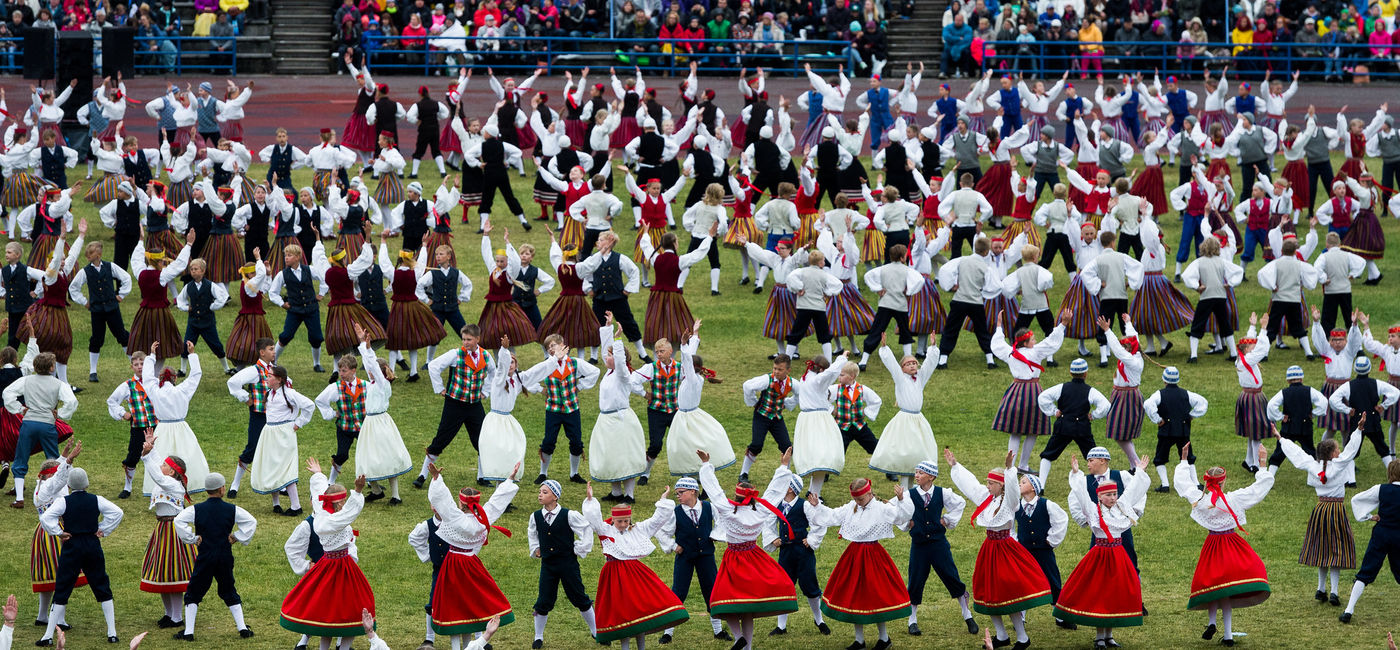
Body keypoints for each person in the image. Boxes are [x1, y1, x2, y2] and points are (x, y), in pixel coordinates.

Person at [945, 449, 1052, 649]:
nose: (987, 486)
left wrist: (1010, 469)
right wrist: (955, 466)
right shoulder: (987, 498)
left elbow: (1012, 489)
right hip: (990, 549)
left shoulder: (1010, 502)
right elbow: (971, 486)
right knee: (989, 592)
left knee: (1009, 594)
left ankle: (1022, 637)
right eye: (987, 482)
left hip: (1006, 549)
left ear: (1001, 484)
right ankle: (1001, 635)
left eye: (991, 483)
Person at [1174, 445, 1275, 646]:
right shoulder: (1233, 499)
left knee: (1213, 585)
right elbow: (1258, 490)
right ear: (1224, 481)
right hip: (1231, 545)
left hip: (1212, 545)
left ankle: (1212, 622)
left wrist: (1184, 461)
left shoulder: (1200, 500)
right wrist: (1262, 463)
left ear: (1206, 481)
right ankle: (1228, 636)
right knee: (1226, 590)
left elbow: (1183, 484)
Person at [803, 476, 912, 650]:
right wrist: (817, 506)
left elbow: (901, 517)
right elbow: (832, 516)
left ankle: (884, 638)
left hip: (873, 557)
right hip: (854, 556)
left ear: (869, 493)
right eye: (855, 499)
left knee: (877, 596)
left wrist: (901, 499)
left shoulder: (881, 508)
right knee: (855, 595)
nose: (858, 502)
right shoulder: (851, 507)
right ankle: (859, 640)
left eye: (860, 499)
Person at [278, 459, 375, 650]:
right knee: (331, 612)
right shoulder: (328, 522)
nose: (344, 504)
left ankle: (342, 647)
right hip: (336, 569)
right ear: (335, 503)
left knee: (347, 611)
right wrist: (358, 491)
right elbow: (350, 513)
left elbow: (318, 493)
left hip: (344, 566)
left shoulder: (322, 510)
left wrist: (318, 474)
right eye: (342, 501)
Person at [1057, 454, 1151, 647]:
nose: (1112, 498)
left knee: (1113, 594)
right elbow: (1081, 494)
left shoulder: (1121, 508)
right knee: (1100, 594)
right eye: (1108, 495)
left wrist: (1140, 471)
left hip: (1118, 556)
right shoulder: (1093, 511)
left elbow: (1133, 491)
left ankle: (1109, 635)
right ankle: (1100, 636)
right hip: (1100, 557)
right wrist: (1076, 474)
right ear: (1099, 496)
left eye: (1114, 494)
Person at [422, 461, 518, 650]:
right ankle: (472, 645)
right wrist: (509, 480)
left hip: (453, 565)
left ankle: (458, 647)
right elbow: (496, 503)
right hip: (472, 564)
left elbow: (443, 500)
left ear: (461, 503)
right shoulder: (484, 518)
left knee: (455, 608)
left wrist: (436, 478)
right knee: (469, 605)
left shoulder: (454, 517)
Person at [581, 484, 690, 648]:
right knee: (623, 614)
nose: (623, 524)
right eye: (619, 521)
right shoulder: (606, 530)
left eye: (626, 521)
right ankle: (625, 646)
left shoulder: (637, 530)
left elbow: (656, 521)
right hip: (614, 577)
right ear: (613, 519)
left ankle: (641, 647)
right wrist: (590, 500)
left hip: (635, 575)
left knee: (639, 611)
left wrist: (663, 500)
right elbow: (594, 521)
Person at [1277, 419, 1364, 608]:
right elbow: (1351, 450)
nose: (1340, 451)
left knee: (1322, 549)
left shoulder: (1313, 465)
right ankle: (1333, 591)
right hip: (1337, 510)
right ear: (1332, 454)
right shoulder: (1339, 464)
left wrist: (1281, 439)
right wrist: (1358, 430)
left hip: (1320, 510)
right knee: (1336, 551)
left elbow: (1297, 455)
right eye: (1337, 449)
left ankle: (1320, 589)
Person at [36, 463, 123, 645]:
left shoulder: (63, 501)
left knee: (62, 588)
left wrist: (58, 532)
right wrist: (103, 529)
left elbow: (45, 518)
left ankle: (47, 636)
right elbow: (117, 512)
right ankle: (112, 633)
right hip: (92, 544)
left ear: (68, 486)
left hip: (72, 545)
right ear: (87, 485)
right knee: (102, 586)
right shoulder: (96, 499)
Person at [896, 459, 977, 637]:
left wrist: (946, 520)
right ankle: (912, 620)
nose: (916, 476)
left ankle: (967, 615)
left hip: (939, 544)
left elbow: (960, 504)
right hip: (919, 546)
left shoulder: (942, 493)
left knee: (951, 576)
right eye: (916, 472)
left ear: (931, 477)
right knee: (915, 580)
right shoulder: (909, 495)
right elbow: (897, 511)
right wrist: (906, 523)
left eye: (920, 473)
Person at [991, 313, 1069, 473]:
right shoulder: (1036, 352)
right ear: (1025, 343)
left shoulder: (1011, 353)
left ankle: (1011, 466)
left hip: (1016, 392)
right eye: (1032, 339)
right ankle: (1023, 465)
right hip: (1033, 392)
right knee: (1033, 430)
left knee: (1015, 431)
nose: (1035, 341)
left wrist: (999, 326)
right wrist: (1063, 324)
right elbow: (1051, 343)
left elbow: (998, 344)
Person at [135, 430, 196, 632]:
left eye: (165, 466)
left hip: (173, 531)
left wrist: (145, 457)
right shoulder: (170, 478)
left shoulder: (173, 484)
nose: (161, 467)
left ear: (171, 472)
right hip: (162, 529)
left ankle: (177, 617)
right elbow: (159, 464)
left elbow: (158, 475)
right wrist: (150, 449)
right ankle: (169, 614)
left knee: (174, 574)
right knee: (162, 573)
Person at [2, 352, 78, 507]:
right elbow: (72, 401)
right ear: (51, 367)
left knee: (20, 458)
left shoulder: (26, 380)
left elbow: (7, 393)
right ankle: (59, 495)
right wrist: (61, 414)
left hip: (29, 423)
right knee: (54, 458)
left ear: (35, 367)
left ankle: (19, 498)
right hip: (48, 424)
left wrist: (19, 409)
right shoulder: (58, 383)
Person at [1339, 458, 1400, 623]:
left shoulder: (1381, 489)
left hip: (1381, 535)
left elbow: (1356, 499)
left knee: (1365, 573)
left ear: (1390, 473)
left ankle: (1348, 610)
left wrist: (1368, 516)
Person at [247, 366, 314, 515]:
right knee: (271, 465)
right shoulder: (269, 394)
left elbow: (309, 405)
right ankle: (276, 503)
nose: (267, 378)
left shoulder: (289, 394)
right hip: (269, 432)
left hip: (284, 433)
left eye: (270, 376)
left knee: (285, 467)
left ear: (279, 379)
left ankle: (296, 506)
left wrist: (299, 422)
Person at [1036, 358, 1112, 484]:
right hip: (1082, 427)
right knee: (1094, 456)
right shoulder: (1090, 390)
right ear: (1086, 374)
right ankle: (1101, 484)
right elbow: (1106, 405)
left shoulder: (1061, 388)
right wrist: (1094, 415)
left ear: (1070, 373)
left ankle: (1041, 485)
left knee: (1047, 455)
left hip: (1063, 426)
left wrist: (1054, 411)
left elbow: (1042, 397)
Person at [577, 231, 648, 362]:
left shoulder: (620, 258)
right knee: (596, 326)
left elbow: (634, 271)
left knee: (628, 323)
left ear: (609, 242)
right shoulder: (593, 259)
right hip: (600, 299)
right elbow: (584, 274)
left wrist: (627, 290)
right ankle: (594, 356)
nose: (597, 242)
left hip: (618, 299)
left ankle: (642, 353)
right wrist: (588, 289)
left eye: (601, 240)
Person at [1145, 367, 1210, 493]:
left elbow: (1148, 404)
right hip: (1183, 430)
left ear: (1164, 380)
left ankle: (1165, 485)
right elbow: (1203, 403)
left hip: (1166, 431)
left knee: (1160, 458)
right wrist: (1192, 415)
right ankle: (1196, 483)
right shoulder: (1187, 394)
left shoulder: (1159, 394)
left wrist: (1157, 420)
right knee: (1188, 456)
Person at [267, 240, 329, 371]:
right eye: (285, 255)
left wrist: (321, 293)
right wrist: (282, 303)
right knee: (286, 335)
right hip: (294, 310)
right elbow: (273, 292)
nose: (286, 258)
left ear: (298, 257)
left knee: (316, 337)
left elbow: (324, 278)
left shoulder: (309, 270)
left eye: (289, 255)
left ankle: (316, 363)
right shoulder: (282, 274)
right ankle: (273, 362)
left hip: (311, 309)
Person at [1328, 356, 1400, 468]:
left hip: (1357, 420)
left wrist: (1346, 410)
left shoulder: (1348, 386)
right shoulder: (1377, 383)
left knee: (1351, 450)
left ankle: (1351, 481)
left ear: (1355, 369)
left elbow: (1333, 399)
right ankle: (1393, 474)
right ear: (1369, 369)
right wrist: (1383, 405)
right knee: (1383, 449)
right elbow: (1395, 392)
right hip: (1373, 420)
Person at [937, 237, 997, 368]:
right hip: (976, 302)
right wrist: (983, 291)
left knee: (951, 330)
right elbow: (993, 286)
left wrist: (950, 285)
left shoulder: (962, 260)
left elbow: (946, 270)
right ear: (986, 252)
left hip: (959, 300)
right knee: (982, 331)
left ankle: (943, 359)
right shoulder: (985, 267)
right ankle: (990, 360)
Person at [1182, 237, 1244, 362]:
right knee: (1225, 323)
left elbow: (1186, 275)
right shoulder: (1222, 261)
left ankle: (1193, 355)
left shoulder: (1199, 262)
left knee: (1197, 325)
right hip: (1221, 296)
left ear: (1203, 247)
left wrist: (1196, 287)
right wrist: (1230, 283)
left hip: (1206, 296)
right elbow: (1239, 270)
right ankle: (1233, 353)